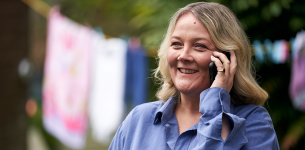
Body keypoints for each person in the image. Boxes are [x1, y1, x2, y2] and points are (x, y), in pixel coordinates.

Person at [109, 2, 280, 150]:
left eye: (199, 46)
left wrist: (215, 103)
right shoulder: (138, 119)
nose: (183, 56)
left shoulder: (254, 123)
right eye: (176, 44)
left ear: (228, 59)